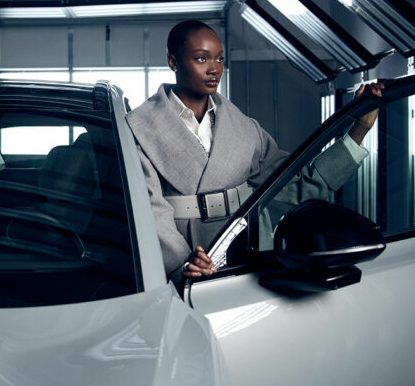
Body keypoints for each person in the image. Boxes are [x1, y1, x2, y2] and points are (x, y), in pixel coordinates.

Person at [126, 20, 383, 283]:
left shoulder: (245, 129)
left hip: (247, 255)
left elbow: (297, 184)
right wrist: (183, 267)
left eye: (220, 59)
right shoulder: (139, 129)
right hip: (185, 264)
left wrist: (358, 129)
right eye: (201, 58)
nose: (214, 69)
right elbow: (151, 214)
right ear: (173, 62)